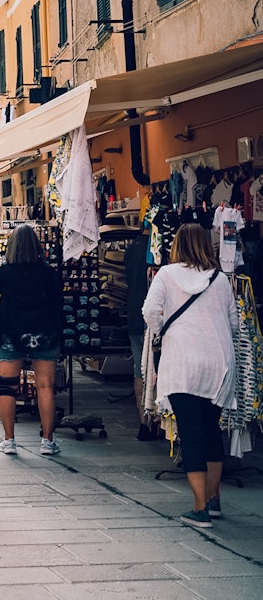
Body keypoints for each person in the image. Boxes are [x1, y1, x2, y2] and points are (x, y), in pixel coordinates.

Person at [143, 223, 237, 528]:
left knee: (192, 434)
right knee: (211, 430)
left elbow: (149, 311)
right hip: (218, 364)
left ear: (178, 245)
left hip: (183, 363)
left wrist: (164, 333)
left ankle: (200, 509)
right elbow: (234, 323)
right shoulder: (220, 279)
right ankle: (214, 499)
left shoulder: (167, 275)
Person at [0, 225, 63, 456]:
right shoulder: (48, 272)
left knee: (7, 387)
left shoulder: (5, 272)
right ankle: (47, 441)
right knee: (45, 386)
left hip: (12, 332)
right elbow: (57, 303)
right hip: (44, 332)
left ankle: (9, 440)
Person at [124, 222, 160, 441]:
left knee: (140, 369)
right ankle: (160, 423)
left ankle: (143, 422)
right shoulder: (160, 247)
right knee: (160, 371)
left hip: (136, 316)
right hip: (157, 318)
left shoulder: (131, 249)